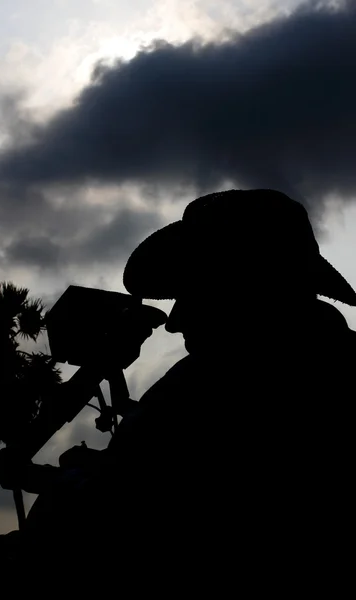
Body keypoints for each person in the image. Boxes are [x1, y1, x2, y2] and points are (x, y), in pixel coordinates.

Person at [24, 189, 355, 590]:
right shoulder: (330, 366)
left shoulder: (203, 390)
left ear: (242, 290)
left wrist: (63, 484)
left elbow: (126, 512)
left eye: (193, 293)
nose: (173, 321)